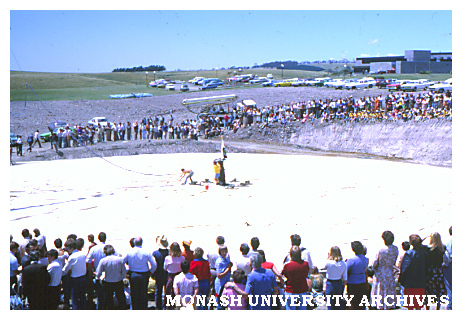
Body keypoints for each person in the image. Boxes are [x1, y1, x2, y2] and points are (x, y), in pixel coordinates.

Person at [123, 237, 157, 310]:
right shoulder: (146, 252)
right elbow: (154, 264)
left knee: (134, 294)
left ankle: (135, 308)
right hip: (144, 275)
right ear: (142, 243)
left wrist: (126, 271)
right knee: (143, 293)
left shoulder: (129, 252)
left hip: (133, 274)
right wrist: (151, 272)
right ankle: (143, 308)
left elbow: (121, 262)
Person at [370, 230, 399, 309]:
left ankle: (380, 305)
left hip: (381, 272)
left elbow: (375, 262)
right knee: (389, 289)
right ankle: (390, 304)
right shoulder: (395, 249)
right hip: (390, 271)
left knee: (380, 290)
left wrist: (373, 268)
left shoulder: (381, 250)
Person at [399, 234, 429, 310]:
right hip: (421, 283)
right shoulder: (424, 253)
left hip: (410, 283)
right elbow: (427, 267)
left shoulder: (409, 253)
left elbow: (404, 269)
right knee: (418, 306)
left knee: (410, 306)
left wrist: (401, 280)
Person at [95, 244, 127, 310]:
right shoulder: (120, 260)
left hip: (108, 283)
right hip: (118, 281)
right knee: (121, 299)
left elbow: (98, 273)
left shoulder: (103, 260)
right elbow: (124, 272)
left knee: (109, 301)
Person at [281, 246, 310, 310]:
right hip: (302, 291)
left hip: (291, 291)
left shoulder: (287, 266)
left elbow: (283, 275)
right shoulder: (305, 264)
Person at [62, 238, 88, 310]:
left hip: (75, 280)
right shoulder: (82, 254)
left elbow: (65, 270)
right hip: (83, 277)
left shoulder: (72, 257)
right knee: (83, 297)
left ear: (71, 248)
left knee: (75, 299)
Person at [424, 232, 447, 310]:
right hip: (439, 270)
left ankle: (427, 308)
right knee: (439, 289)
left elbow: (419, 244)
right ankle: (438, 307)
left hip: (431, 271)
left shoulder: (428, 248)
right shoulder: (442, 247)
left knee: (429, 289)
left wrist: (425, 237)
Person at [346, 241, 368, 310]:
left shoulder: (351, 260)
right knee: (361, 301)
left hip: (352, 282)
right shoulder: (365, 259)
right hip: (362, 281)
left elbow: (345, 270)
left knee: (353, 302)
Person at [323, 246, 347, 310]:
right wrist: (343, 287)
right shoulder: (343, 264)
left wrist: (328, 257)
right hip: (339, 283)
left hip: (330, 283)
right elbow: (345, 278)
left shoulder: (329, 263)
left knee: (330, 305)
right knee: (339, 304)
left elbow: (321, 267)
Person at [163, 242, 185, 309]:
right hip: (179, 277)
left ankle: (169, 307)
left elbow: (165, 268)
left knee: (169, 294)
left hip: (171, 277)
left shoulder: (168, 258)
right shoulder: (182, 258)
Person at [152, 235, 169, 310]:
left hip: (158, 274)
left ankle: (158, 307)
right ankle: (166, 306)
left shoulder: (155, 253)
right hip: (166, 274)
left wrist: (152, 273)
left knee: (158, 292)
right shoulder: (169, 252)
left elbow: (153, 265)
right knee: (167, 292)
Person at [442, 226, 452, 310]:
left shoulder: (449, 241)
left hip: (450, 266)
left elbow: (448, 255)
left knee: (449, 288)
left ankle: (450, 306)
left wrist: (445, 264)